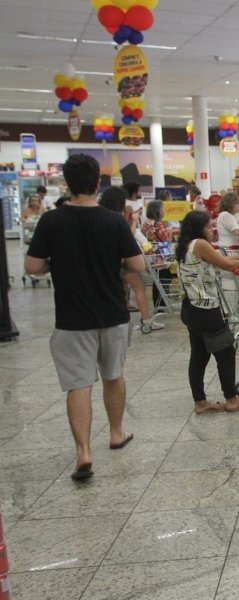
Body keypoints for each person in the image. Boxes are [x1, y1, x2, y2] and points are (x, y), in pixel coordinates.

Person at [24, 153, 145, 481]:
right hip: (112, 313)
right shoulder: (114, 221)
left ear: (67, 183)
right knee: (113, 374)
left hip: (72, 317)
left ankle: (83, 452)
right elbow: (138, 266)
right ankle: (116, 432)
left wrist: (56, 263)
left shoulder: (51, 221)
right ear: (97, 183)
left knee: (78, 385)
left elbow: (32, 267)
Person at [176, 211, 239, 414]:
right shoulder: (200, 244)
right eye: (208, 226)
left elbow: (219, 259)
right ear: (198, 228)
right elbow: (227, 264)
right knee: (226, 352)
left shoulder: (185, 245)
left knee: (199, 355)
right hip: (206, 310)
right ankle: (232, 400)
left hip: (190, 307)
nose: (211, 230)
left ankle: (200, 402)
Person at [99, 187, 163, 334]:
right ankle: (146, 321)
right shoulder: (117, 218)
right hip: (123, 260)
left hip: (108, 261)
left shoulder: (101, 217)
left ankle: (126, 321)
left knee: (122, 289)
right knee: (139, 288)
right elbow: (129, 234)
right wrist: (133, 221)